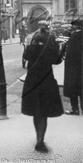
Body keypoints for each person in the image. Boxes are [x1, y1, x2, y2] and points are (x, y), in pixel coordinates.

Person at [21, 25, 64, 153]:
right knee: (43, 113)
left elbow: (26, 56)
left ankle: (38, 139)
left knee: (36, 112)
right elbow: (58, 61)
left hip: (32, 82)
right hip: (46, 82)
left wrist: (31, 43)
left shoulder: (31, 48)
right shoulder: (50, 49)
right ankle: (40, 141)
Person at [63, 18, 83, 115]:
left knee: (73, 89)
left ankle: (75, 109)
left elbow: (70, 53)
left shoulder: (74, 36)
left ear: (76, 27)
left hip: (74, 67)